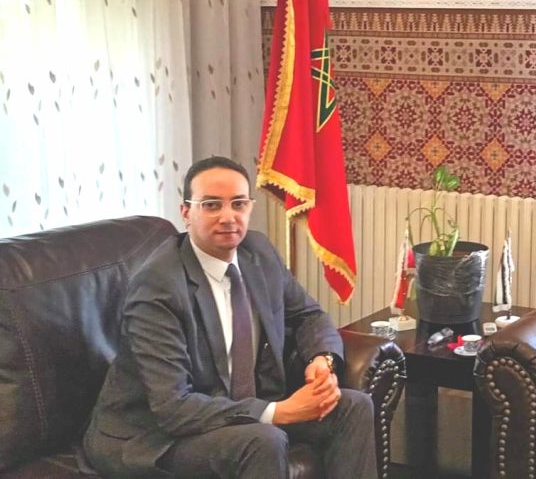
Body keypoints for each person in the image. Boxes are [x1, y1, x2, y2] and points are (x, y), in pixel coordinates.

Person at [84, 156, 377, 478]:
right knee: (263, 440)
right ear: (186, 212)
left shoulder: (257, 252)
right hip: (155, 434)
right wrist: (278, 412)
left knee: (353, 407)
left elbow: (308, 315)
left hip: (237, 411)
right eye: (211, 205)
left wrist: (322, 360)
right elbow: (173, 407)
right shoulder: (158, 286)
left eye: (238, 204)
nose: (228, 217)